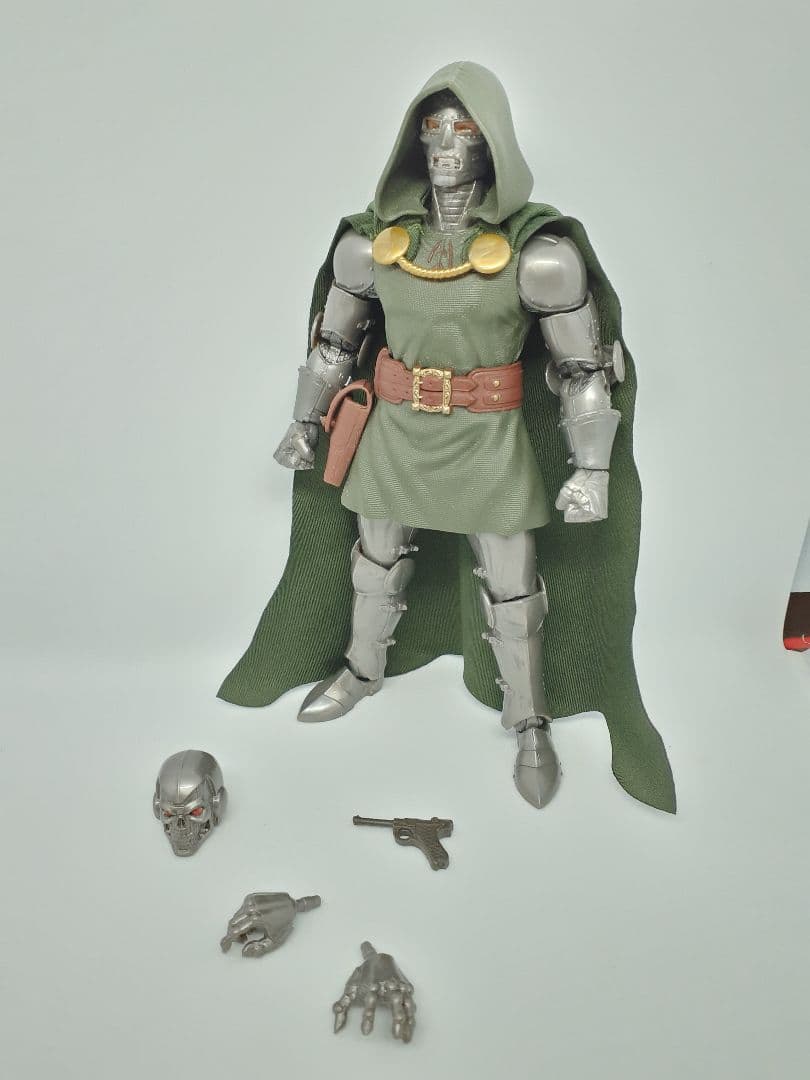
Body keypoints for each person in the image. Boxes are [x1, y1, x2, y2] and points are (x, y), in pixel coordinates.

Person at [219, 61, 675, 814]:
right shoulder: (374, 246)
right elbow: (333, 347)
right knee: (374, 562)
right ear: (413, 141)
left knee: (513, 587)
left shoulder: (539, 256)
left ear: (492, 144)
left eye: (464, 131)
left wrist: (591, 469)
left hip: (488, 438)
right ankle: (361, 671)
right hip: (396, 429)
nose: (447, 147)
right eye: (433, 130)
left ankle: (528, 720)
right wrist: (303, 424)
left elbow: (581, 372)